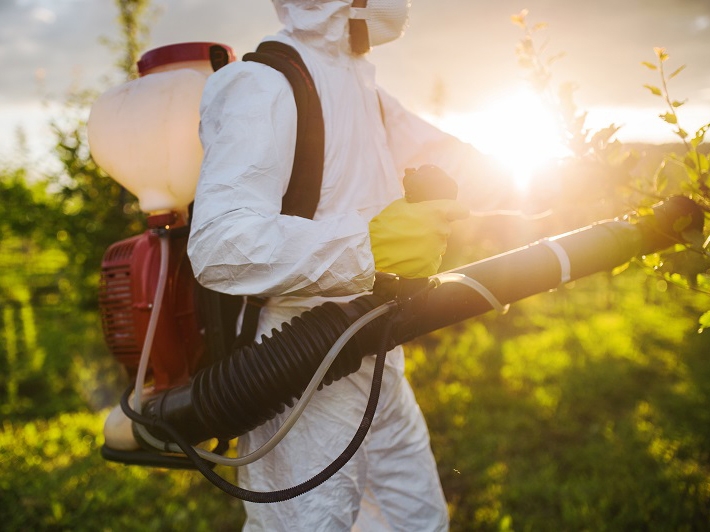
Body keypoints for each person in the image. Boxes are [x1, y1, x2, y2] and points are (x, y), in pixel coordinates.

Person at [188, 0, 508, 529]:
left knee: (418, 520)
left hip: (378, 351)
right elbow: (222, 243)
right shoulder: (263, 84)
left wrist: (583, 179)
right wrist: (367, 249)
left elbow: (457, 166)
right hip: (300, 367)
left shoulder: (363, 90)